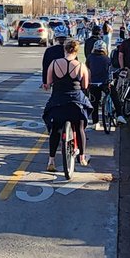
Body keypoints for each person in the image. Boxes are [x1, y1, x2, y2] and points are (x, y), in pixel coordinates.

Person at [43, 38, 93, 169]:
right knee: (80, 127)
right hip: (76, 103)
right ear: (77, 51)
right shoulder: (81, 66)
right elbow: (85, 85)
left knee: (55, 130)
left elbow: (48, 83)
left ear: (64, 49)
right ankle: (82, 157)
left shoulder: (54, 64)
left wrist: (48, 86)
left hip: (58, 102)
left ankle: (51, 161)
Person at [85, 40, 112, 129]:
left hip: (93, 83)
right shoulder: (107, 59)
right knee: (113, 94)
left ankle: (95, 122)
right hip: (104, 83)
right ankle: (117, 114)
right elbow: (110, 71)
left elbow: (87, 70)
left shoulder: (90, 57)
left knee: (94, 103)